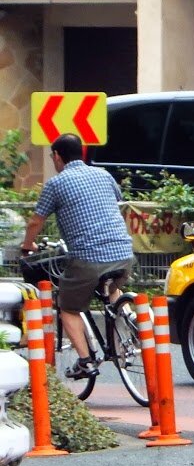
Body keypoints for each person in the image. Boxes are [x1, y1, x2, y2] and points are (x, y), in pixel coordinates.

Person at [21, 133, 135, 380]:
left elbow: (36, 221)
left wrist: (27, 246)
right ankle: (125, 331)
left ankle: (86, 361)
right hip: (123, 253)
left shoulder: (56, 183)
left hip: (88, 258)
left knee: (68, 307)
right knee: (112, 289)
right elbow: (115, 203)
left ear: (57, 156)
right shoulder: (103, 174)